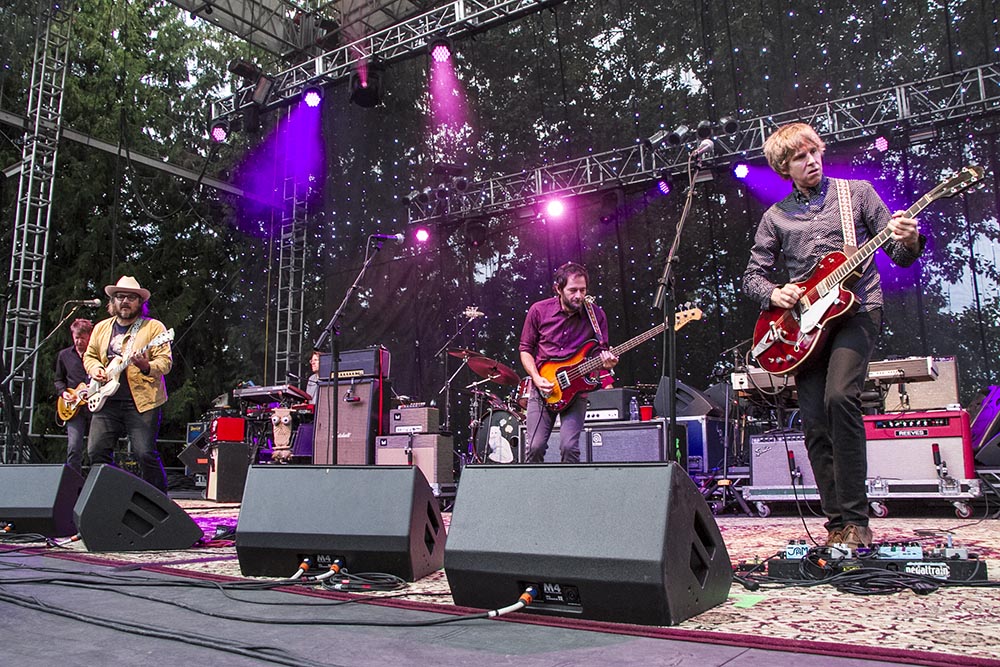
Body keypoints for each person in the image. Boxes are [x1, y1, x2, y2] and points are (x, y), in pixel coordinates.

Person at [743, 122, 923, 548]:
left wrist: (910, 239)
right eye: (800, 157)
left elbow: (898, 255)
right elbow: (752, 276)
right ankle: (836, 523)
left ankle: (859, 521)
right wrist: (775, 293)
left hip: (858, 310)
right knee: (814, 423)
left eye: (815, 152)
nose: (812, 161)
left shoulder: (856, 194)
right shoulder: (776, 217)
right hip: (804, 329)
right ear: (784, 167)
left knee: (840, 397)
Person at [519, 262, 618, 462]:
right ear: (558, 288)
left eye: (583, 290)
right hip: (543, 388)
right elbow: (525, 349)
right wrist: (536, 379)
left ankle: (568, 492)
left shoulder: (596, 315)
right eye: (573, 290)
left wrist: (606, 362)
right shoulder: (539, 310)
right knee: (535, 447)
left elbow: (600, 351)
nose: (579, 295)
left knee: (569, 447)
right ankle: (535, 492)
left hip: (577, 389)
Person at [84, 276, 173, 492]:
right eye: (120, 297)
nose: (125, 301)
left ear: (140, 302)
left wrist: (146, 366)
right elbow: (90, 355)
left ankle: (160, 501)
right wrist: (95, 369)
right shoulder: (102, 327)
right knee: (96, 452)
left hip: (142, 402)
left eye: (131, 297)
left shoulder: (153, 329)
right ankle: (117, 494)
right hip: (107, 401)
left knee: (144, 453)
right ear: (112, 301)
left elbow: (165, 362)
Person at [54, 318, 94, 475]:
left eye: (82, 338)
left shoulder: (97, 356)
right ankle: (72, 483)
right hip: (73, 408)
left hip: (94, 406)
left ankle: (97, 484)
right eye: (76, 337)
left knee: (97, 448)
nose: (78, 341)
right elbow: (58, 380)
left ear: (89, 336)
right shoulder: (64, 355)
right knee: (74, 447)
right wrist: (64, 393)